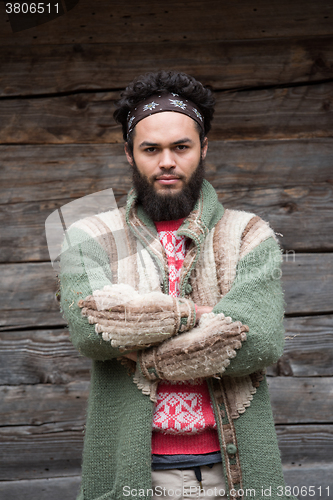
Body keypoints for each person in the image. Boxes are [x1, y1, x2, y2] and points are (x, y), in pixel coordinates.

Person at [60, 70, 292, 500]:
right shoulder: (89, 235)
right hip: (136, 471)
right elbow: (90, 331)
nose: (167, 160)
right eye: (151, 148)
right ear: (130, 154)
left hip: (234, 471)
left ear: (203, 148)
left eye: (181, 147)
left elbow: (259, 339)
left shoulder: (248, 234)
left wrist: (138, 337)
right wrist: (199, 316)